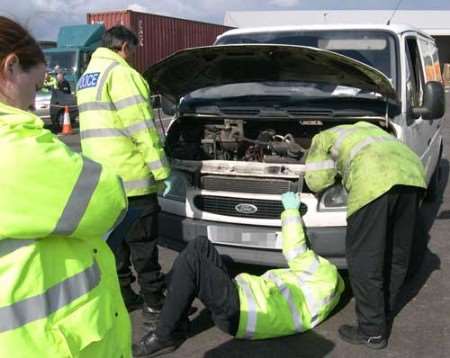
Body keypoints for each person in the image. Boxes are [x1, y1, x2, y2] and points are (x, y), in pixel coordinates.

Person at [0, 16, 132, 357]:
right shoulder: (17, 149)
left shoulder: (89, 77)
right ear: (11, 68)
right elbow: (109, 200)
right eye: (36, 82)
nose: (37, 95)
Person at [133, 192, 345, 357]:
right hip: (249, 315)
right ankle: (176, 315)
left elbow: (295, 248)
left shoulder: (323, 271)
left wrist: (291, 211)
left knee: (194, 254)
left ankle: (164, 335)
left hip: (241, 310)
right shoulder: (332, 291)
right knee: (201, 248)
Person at [76, 26, 171, 331]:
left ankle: (124, 295)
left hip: (103, 182)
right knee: (144, 247)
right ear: (125, 47)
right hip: (133, 179)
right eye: (135, 49)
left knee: (115, 246)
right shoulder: (122, 74)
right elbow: (143, 129)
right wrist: (162, 171)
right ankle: (156, 305)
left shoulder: (87, 78)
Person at [304, 121, 426, 349]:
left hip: (374, 179)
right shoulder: (370, 128)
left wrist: (328, 173)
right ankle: (382, 311)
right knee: (395, 253)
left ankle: (372, 332)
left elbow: (317, 181)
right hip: (412, 174)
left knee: (364, 260)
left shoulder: (323, 137)